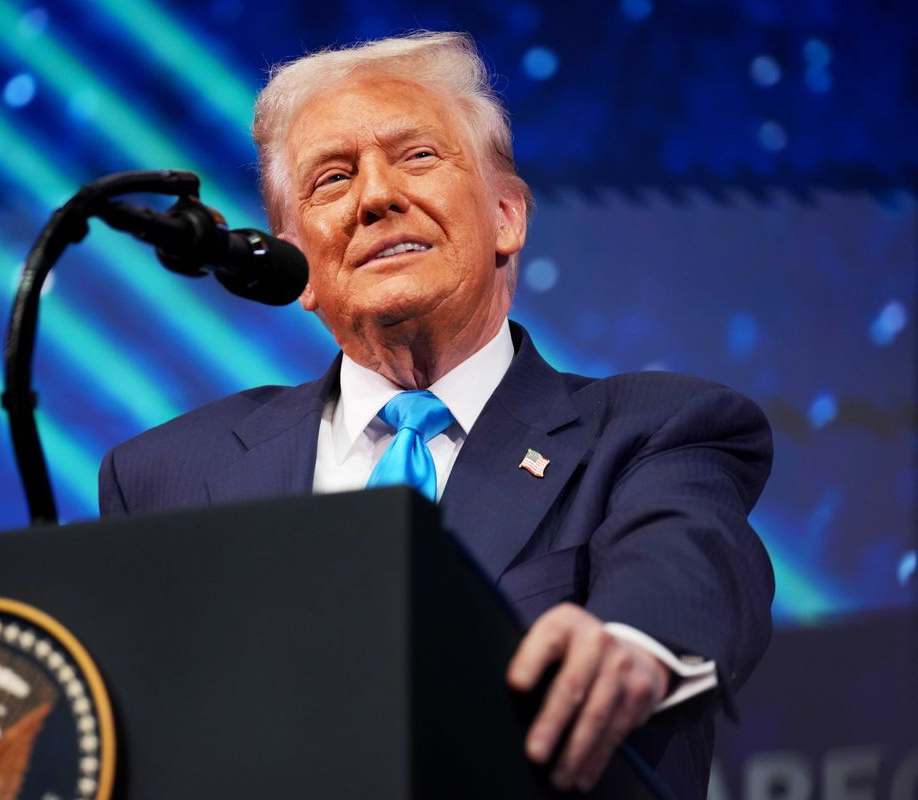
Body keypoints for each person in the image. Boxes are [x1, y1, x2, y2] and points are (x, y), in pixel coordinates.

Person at [99, 31, 774, 798]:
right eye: (331, 178)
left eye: (417, 157)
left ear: (507, 217)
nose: (376, 196)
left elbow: (697, 558)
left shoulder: (651, 429)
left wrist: (634, 642)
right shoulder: (165, 476)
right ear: (298, 268)